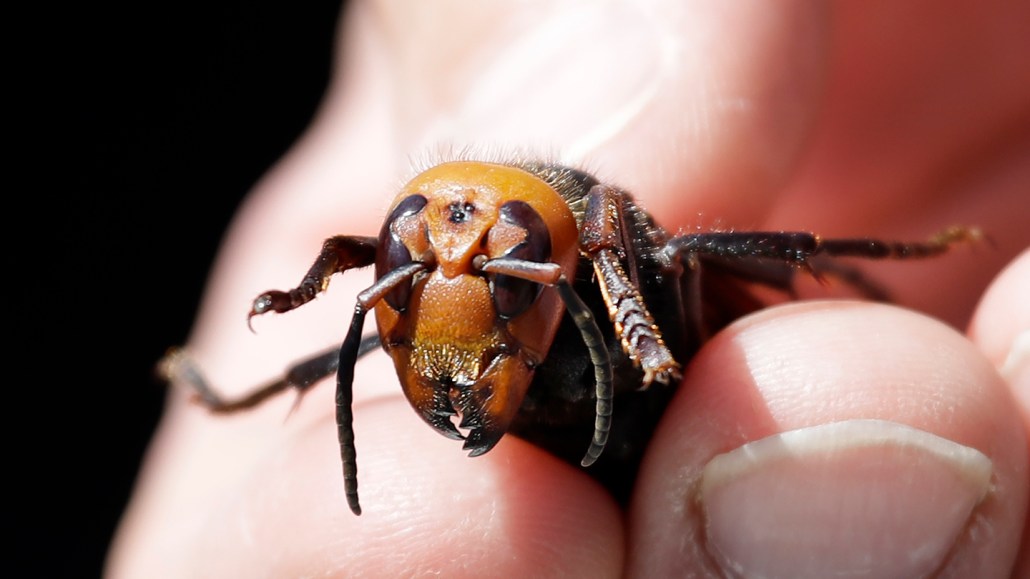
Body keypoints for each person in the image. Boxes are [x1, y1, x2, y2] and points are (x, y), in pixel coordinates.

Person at [107, 2, 1029, 576]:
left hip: (668, 426)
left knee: (696, 256)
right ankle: (243, 400)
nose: (448, 270)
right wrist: (307, 298)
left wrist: (630, 302)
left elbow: (652, 227)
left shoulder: (616, 244)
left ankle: (889, 261)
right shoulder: (421, 269)